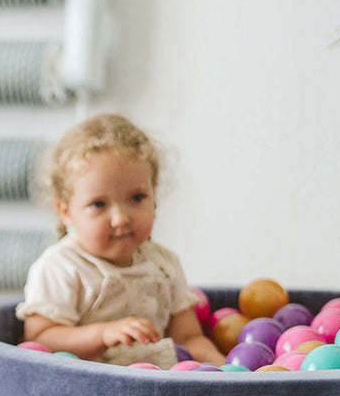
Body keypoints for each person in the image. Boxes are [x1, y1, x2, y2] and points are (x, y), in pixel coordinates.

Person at [17, 114, 223, 367]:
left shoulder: (164, 264)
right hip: (94, 392)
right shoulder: (61, 267)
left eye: (137, 198)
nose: (120, 218)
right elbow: (40, 338)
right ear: (66, 212)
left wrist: (226, 370)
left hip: (164, 391)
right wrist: (102, 334)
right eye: (99, 204)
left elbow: (189, 338)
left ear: (154, 196)